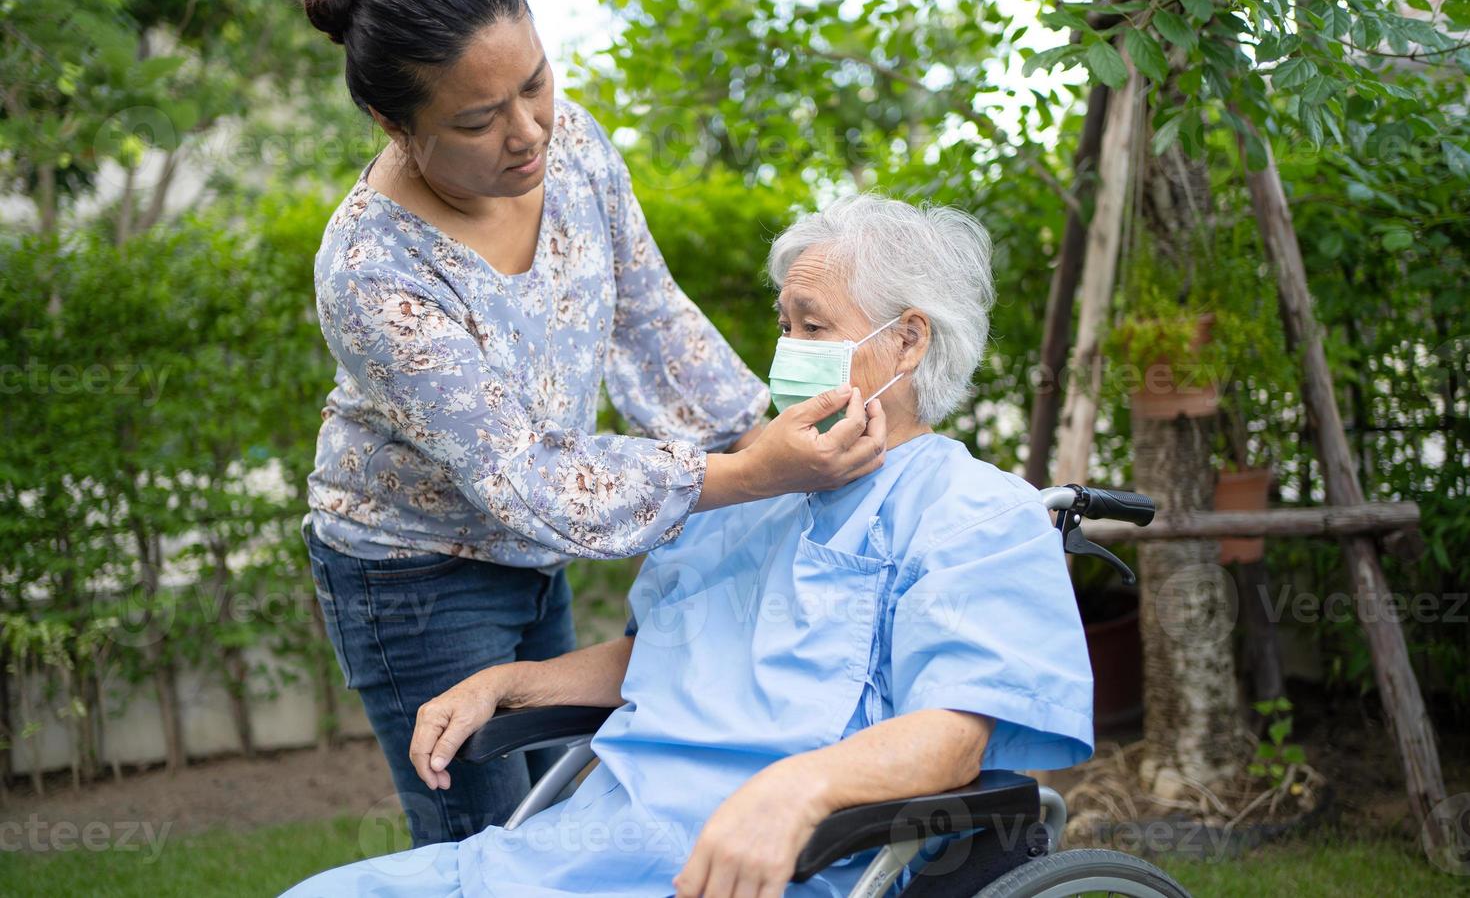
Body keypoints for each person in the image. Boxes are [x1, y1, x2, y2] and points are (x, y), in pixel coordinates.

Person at [279, 194, 1095, 898]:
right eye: (786, 325)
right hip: (592, 845)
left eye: (815, 326)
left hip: (766, 863)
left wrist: (794, 792)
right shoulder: (747, 490)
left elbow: (954, 736)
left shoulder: (974, 513)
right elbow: (662, 656)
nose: (790, 350)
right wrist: (510, 682)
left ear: (909, 341)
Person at [268, 0, 890, 847]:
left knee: (561, 811)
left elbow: (650, 318)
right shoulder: (372, 270)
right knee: (484, 842)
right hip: (413, 577)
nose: (528, 133)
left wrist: (769, 435)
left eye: (535, 82)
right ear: (397, 126)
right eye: (477, 120)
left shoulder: (576, 148)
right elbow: (526, 477)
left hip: (530, 556)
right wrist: (751, 476)